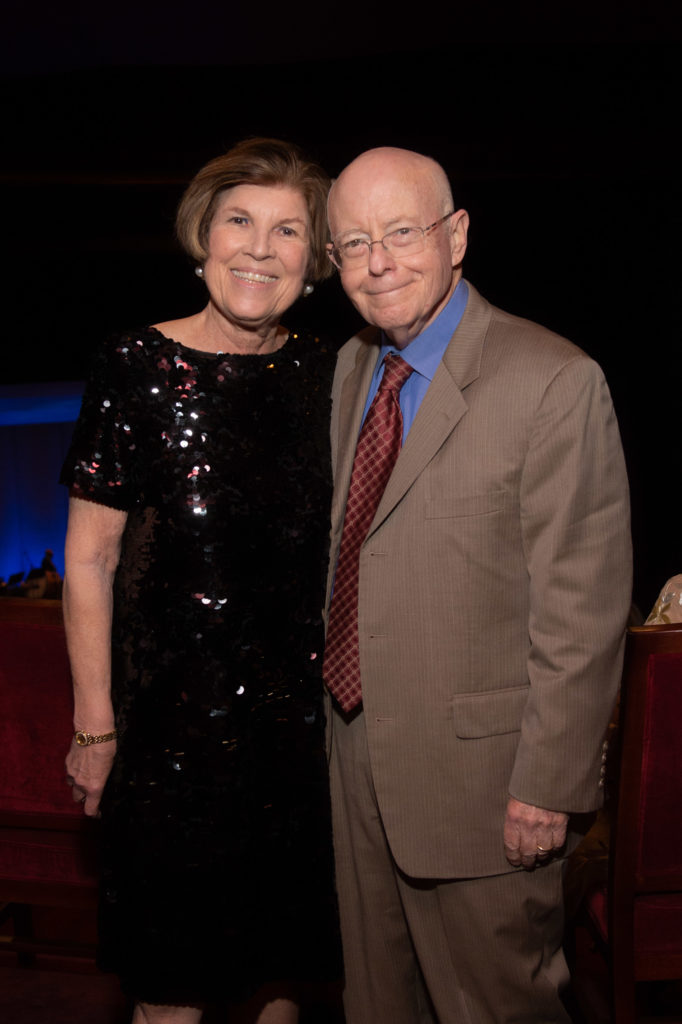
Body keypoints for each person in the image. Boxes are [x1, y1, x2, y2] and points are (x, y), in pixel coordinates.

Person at [323, 146, 632, 1023]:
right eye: (352, 243)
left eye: (400, 233)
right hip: (355, 768)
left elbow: (584, 610)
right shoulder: (353, 370)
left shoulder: (553, 381)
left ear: (456, 235)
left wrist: (550, 784)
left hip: (489, 790)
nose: (377, 262)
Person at [61, 138, 341, 1024]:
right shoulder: (134, 366)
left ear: (316, 257)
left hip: (303, 741)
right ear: (203, 236)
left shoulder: (335, 374)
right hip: (166, 739)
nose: (260, 248)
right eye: (240, 221)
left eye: (289, 229)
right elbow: (90, 559)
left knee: (283, 984)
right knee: (171, 993)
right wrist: (96, 728)